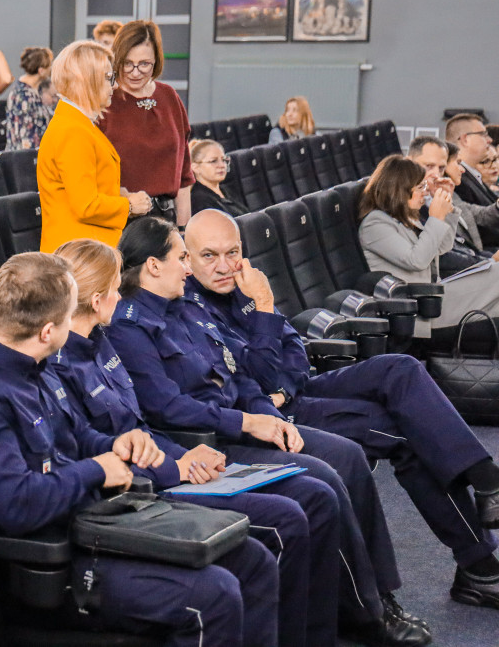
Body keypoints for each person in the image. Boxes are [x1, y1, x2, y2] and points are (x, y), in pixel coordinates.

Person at [106, 217, 431, 646]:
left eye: (228, 253)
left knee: (340, 463)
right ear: (152, 265)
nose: (190, 269)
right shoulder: (130, 325)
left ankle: (363, 608)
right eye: (186, 257)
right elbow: (165, 407)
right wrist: (248, 421)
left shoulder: (183, 305)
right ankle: (362, 614)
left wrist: (266, 415)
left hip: (241, 422)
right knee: (321, 484)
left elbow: (238, 375)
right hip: (207, 442)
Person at [0, 251, 281, 647]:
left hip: (96, 521)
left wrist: (117, 444)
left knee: (252, 561)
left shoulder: (31, 364)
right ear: (48, 331)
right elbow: (16, 505)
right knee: (211, 597)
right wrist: (97, 469)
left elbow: (75, 434)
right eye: (67, 320)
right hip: (46, 565)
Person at [184, 207, 499, 611]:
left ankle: (487, 481)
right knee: (408, 432)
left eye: (233, 252)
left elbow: (294, 345)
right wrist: (263, 306)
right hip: (268, 416)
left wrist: (285, 381)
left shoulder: (245, 282)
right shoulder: (193, 306)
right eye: (210, 255)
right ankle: (479, 565)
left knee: (400, 369)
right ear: (187, 260)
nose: (225, 266)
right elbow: (252, 381)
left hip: (295, 390)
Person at [52, 238, 342, 647]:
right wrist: (177, 466)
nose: (122, 294)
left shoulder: (102, 343)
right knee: (287, 519)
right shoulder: (63, 363)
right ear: (98, 300)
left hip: (170, 462)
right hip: (136, 494)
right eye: (116, 287)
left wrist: (185, 456)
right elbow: (103, 449)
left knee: (313, 496)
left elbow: (139, 428)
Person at [359, 154, 499, 331]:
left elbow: (442, 248)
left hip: (436, 295)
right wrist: (436, 218)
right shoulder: (375, 223)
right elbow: (417, 260)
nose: (425, 192)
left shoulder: (405, 217)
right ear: (400, 189)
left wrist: (446, 210)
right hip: (421, 309)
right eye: (420, 187)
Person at [37, 39, 150, 253]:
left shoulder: (75, 123)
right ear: (86, 81)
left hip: (85, 249)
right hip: (80, 256)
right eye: (109, 78)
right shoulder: (73, 130)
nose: (115, 85)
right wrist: (130, 205)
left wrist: (117, 195)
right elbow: (86, 205)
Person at [97, 20, 193, 227]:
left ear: (156, 61)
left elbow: (184, 174)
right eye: (127, 63)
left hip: (167, 217)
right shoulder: (103, 101)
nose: (135, 72)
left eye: (144, 64)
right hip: (122, 219)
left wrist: (184, 228)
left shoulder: (169, 96)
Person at [409, 136, 499, 268]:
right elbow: (439, 257)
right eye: (429, 166)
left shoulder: (447, 195)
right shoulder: (408, 203)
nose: (436, 174)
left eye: (440, 168)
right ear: (409, 163)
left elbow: (448, 246)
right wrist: (489, 262)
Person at [5, 46, 52, 150]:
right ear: (41, 71)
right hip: (25, 157)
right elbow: (26, 133)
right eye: (48, 67)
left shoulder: (35, 90)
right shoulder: (23, 95)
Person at [447, 113, 497, 206]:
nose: (489, 140)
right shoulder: (458, 182)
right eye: (483, 135)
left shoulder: (472, 176)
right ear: (465, 139)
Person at [188, 140, 248, 217]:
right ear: (195, 168)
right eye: (213, 161)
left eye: (223, 160)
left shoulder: (226, 190)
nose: (222, 165)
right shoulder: (198, 201)